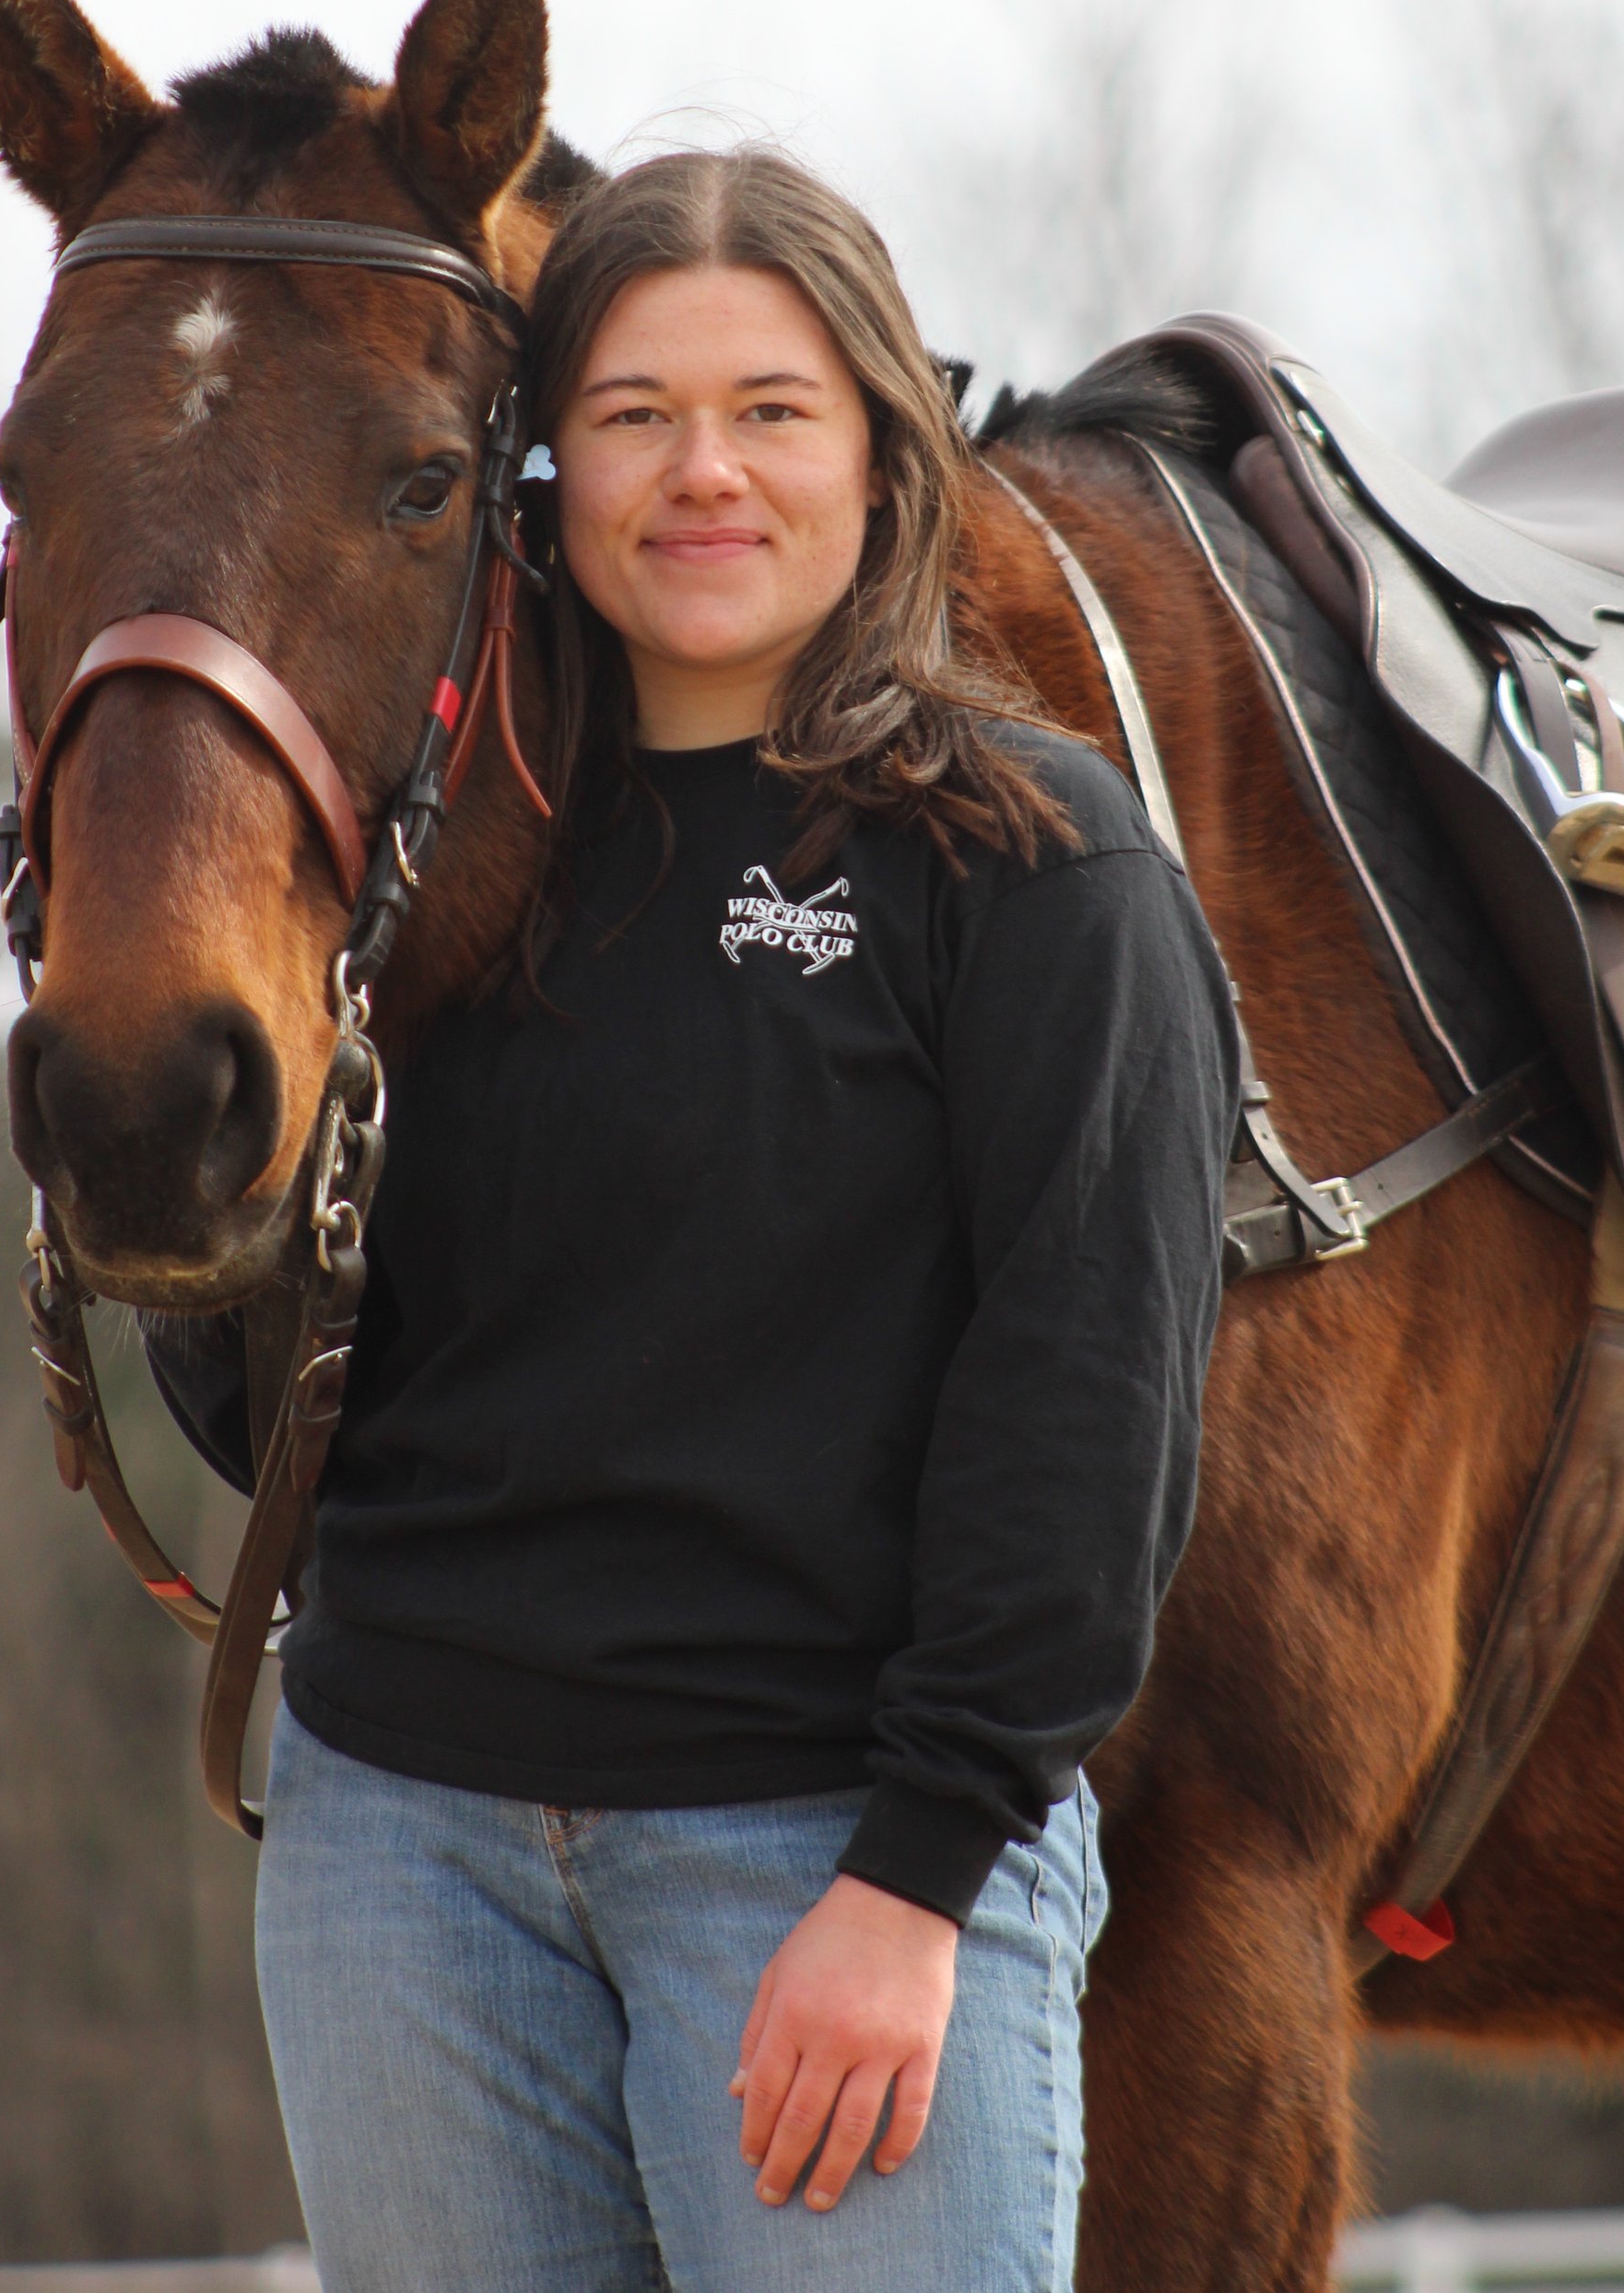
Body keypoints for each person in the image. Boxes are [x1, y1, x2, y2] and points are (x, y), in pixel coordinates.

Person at [149, 147, 1235, 2293]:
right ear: (539, 471)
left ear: (877, 453)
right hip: (405, 1859)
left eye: (769, 411)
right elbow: (274, 1404)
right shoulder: (421, 881)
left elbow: (1084, 1409)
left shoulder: (1031, 866)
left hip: (819, 1857)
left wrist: (915, 1881)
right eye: (633, 416)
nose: (700, 474)